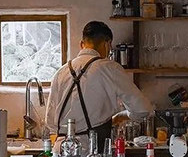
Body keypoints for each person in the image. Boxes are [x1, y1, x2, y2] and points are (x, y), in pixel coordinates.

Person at [45, 21, 153, 149]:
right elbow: (142, 109)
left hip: (60, 150)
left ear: (82, 44)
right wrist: (121, 116)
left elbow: (50, 123)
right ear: (107, 44)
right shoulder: (109, 68)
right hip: (90, 150)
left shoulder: (61, 72)